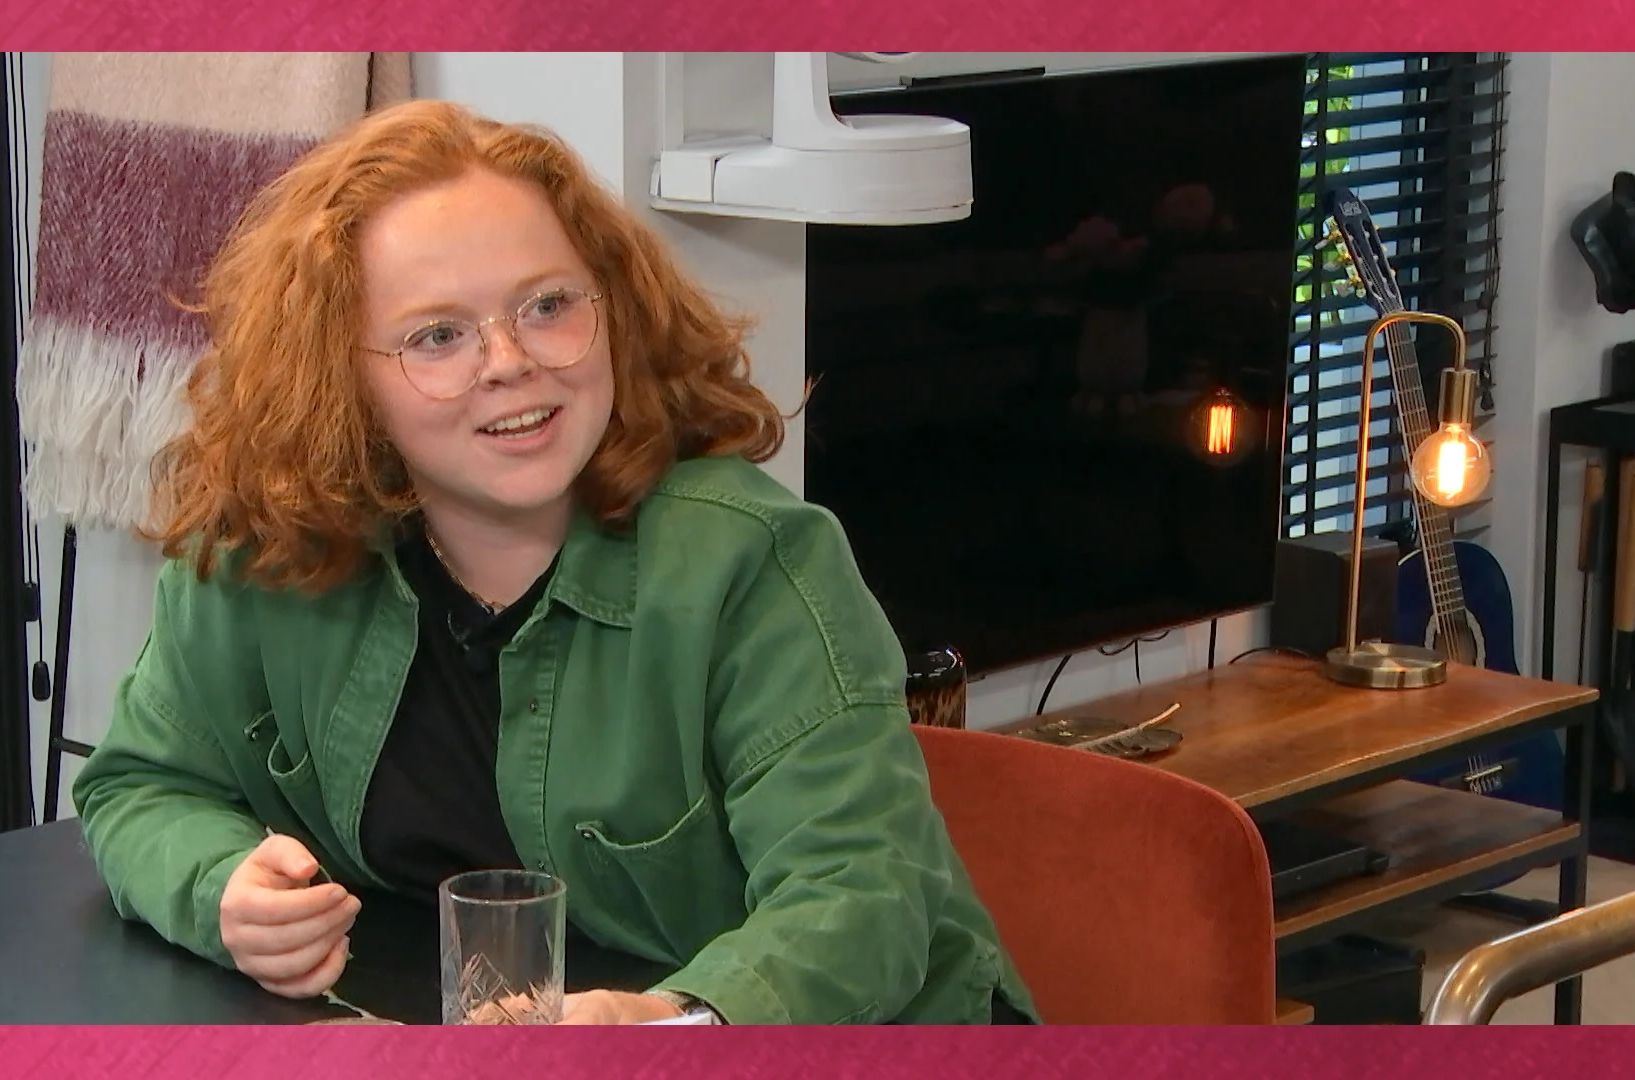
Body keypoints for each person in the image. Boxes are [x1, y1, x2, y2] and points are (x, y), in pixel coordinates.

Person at [70, 98, 1038, 1026]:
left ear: (612, 308)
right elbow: (140, 786)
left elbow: (862, 898)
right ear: (339, 379)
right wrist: (222, 888)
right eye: (437, 336)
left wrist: (666, 1021)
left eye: (546, 306)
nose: (509, 361)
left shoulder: (755, 563)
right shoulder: (273, 549)